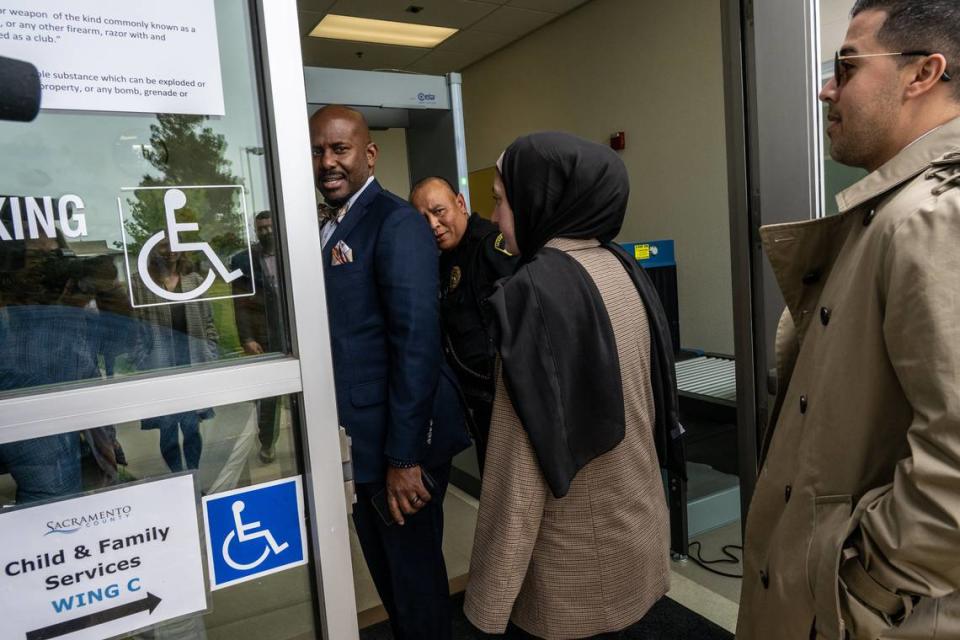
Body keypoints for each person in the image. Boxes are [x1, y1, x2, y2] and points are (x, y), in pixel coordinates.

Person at [737, 2, 960, 639]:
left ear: (922, 74)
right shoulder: (890, 211)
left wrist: (865, 586)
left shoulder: (936, 217)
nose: (826, 88)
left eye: (846, 65)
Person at [464, 132, 684, 639]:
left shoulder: (536, 295)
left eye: (500, 200)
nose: (495, 218)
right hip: (637, 527)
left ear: (540, 198)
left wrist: (486, 605)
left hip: (576, 562)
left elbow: (515, 473)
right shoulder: (621, 265)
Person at [309, 105, 470, 640]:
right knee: (391, 577)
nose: (327, 162)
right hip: (361, 442)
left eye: (340, 149)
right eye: (318, 150)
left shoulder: (395, 222)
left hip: (399, 446)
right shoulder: (327, 224)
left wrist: (405, 459)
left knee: (414, 584)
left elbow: (416, 345)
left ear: (369, 154)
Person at [409, 176, 518, 472]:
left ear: (460, 203)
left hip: (508, 403)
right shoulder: (440, 260)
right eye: (423, 219)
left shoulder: (491, 246)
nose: (433, 224)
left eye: (439, 211)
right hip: (477, 405)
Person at [133, 237, 219, 473]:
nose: (170, 251)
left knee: (191, 427)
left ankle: (192, 476)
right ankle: (177, 478)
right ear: (153, 250)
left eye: (175, 245)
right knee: (168, 429)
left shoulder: (194, 280)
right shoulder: (142, 284)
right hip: (160, 368)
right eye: (163, 245)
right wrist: (143, 359)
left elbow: (208, 320)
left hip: (191, 363)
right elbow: (135, 327)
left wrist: (210, 350)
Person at [231, 210, 284, 463]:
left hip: (296, 332)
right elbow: (239, 304)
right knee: (269, 396)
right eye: (261, 228)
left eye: (270, 226)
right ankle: (267, 443)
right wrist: (247, 338)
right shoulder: (243, 261)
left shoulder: (292, 250)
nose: (266, 232)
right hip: (263, 336)